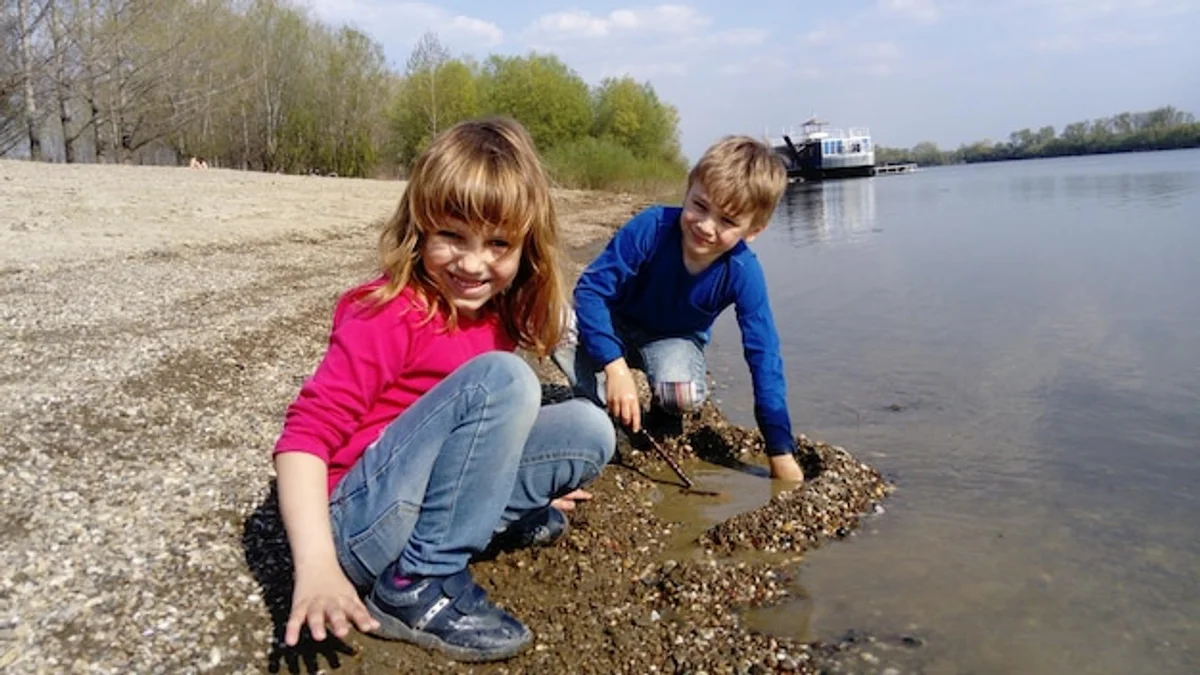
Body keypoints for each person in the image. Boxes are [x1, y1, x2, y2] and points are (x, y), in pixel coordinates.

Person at [272, 117, 616, 662]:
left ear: (526, 247)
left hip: (419, 499)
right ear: (420, 227)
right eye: (452, 236)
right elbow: (303, 438)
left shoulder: (499, 313)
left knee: (589, 429)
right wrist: (315, 565)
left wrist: (524, 481)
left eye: (498, 244)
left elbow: (477, 434)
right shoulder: (387, 311)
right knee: (504, 380)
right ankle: (415, 584)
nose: (473, 263)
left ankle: (471, 527)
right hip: (355, 524)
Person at [554, 135, 805, 482]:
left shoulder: (744, 273)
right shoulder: (651, 227)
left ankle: (661, 415)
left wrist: (779, 448)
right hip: (615, 323)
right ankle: (601, 409)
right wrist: (615, 368)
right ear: (688, 190)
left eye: (728, 221)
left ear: (754, 231)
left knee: (682, 392)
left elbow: (764, 354)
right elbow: (591, 290)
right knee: (549, 320)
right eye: (699, 206)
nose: (706, 226)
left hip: (672, 339)